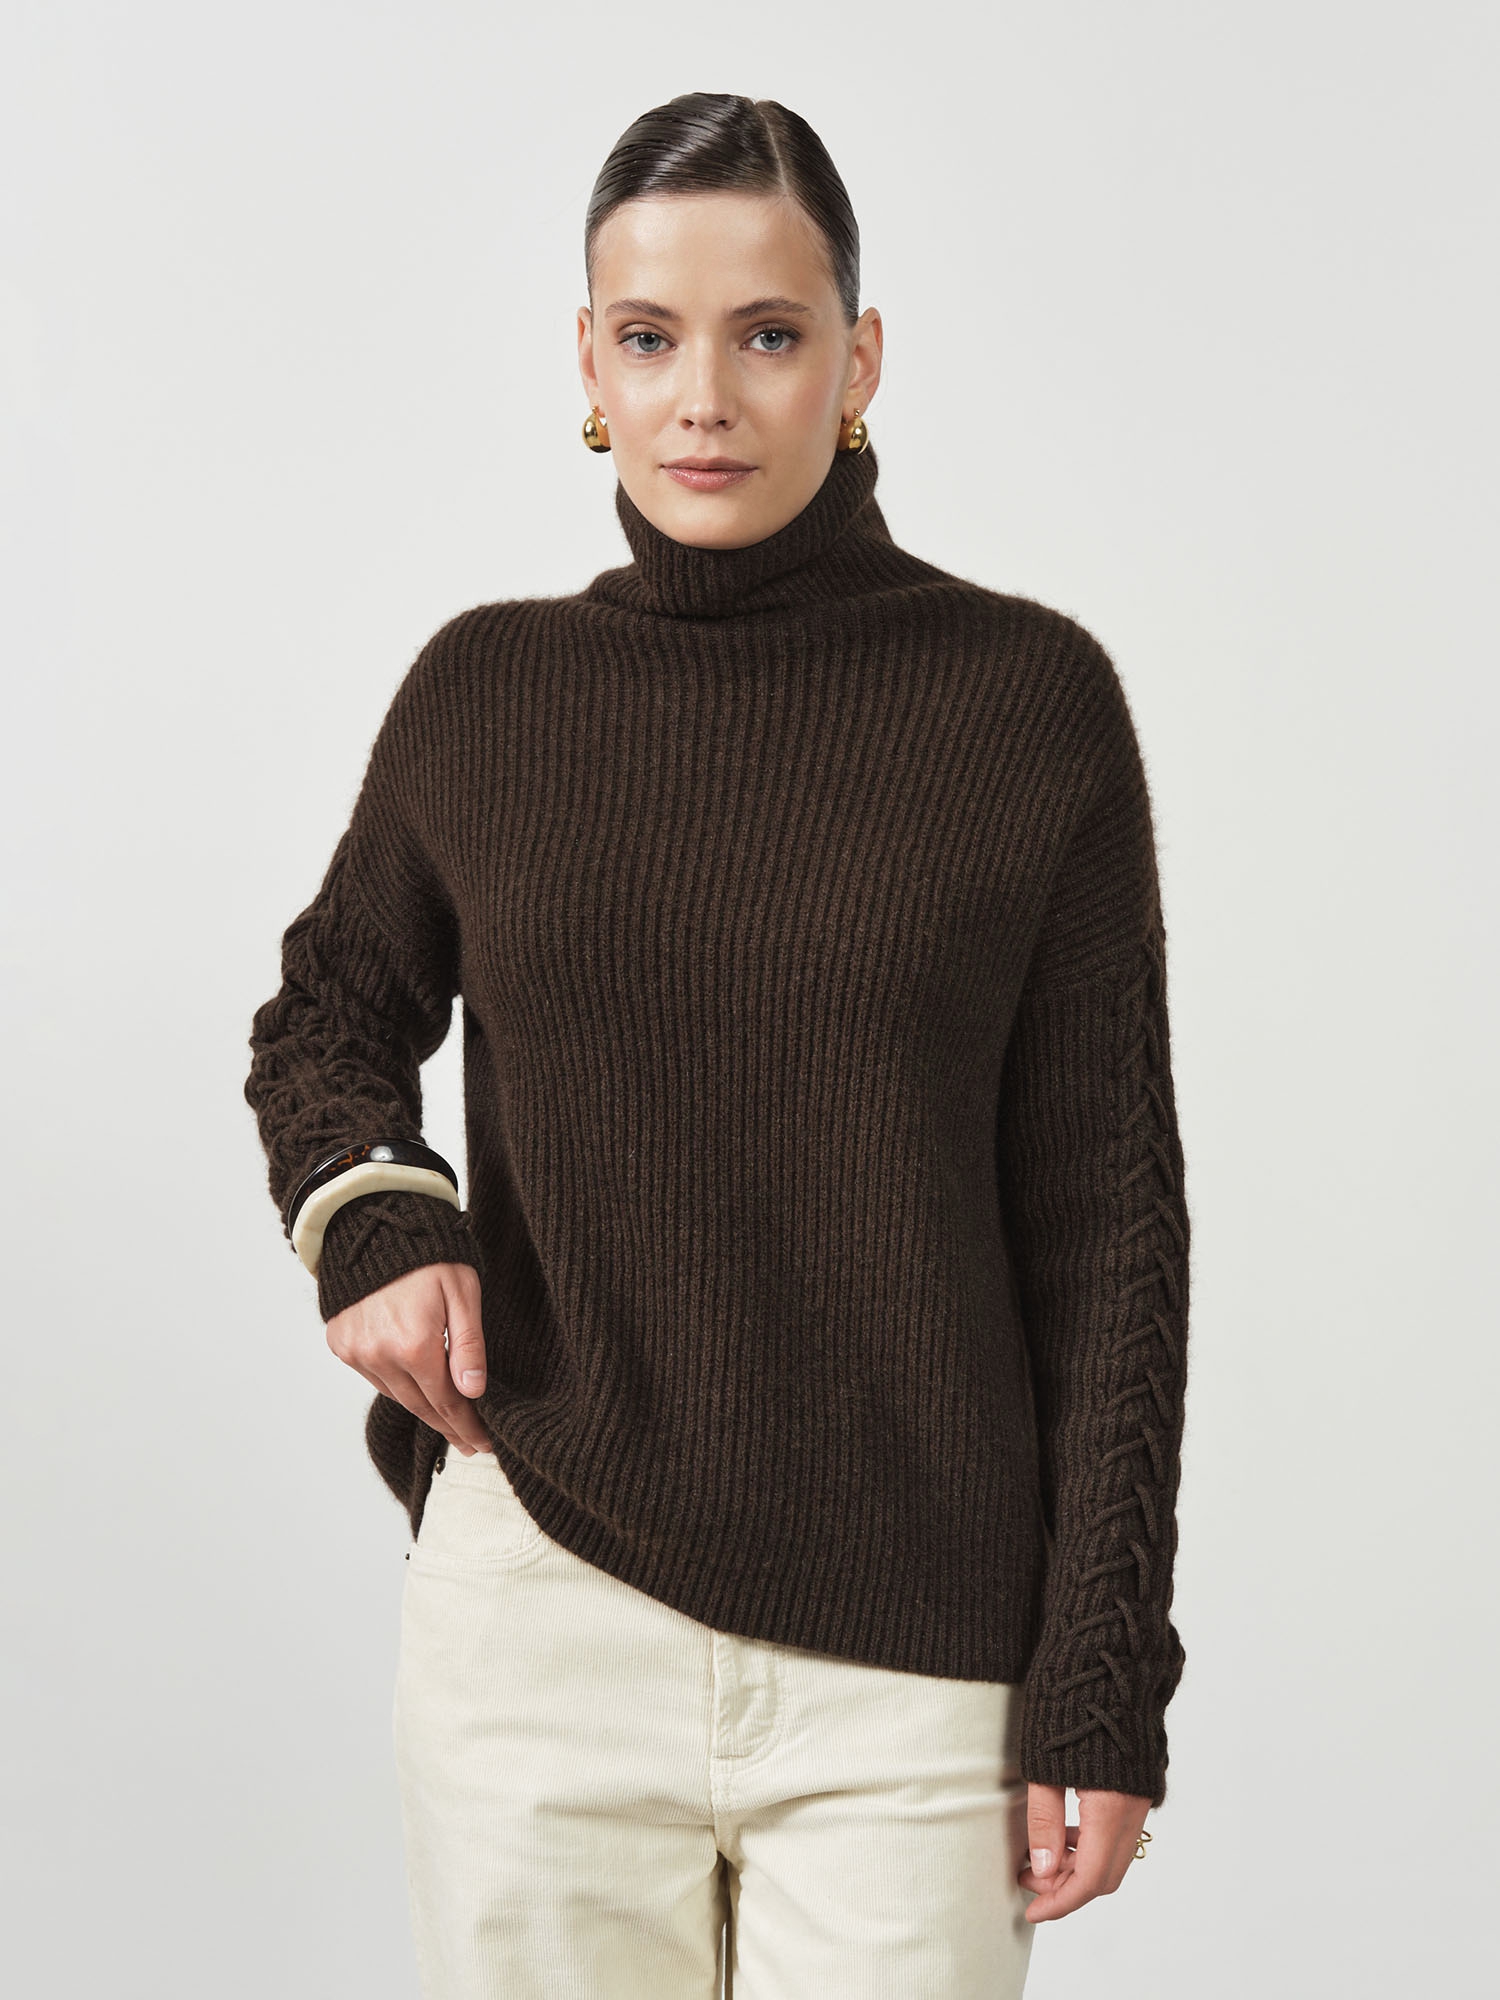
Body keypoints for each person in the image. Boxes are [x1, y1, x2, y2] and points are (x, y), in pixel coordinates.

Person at [244, 90, 1191, 2000]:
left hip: (915, 1655)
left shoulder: (1028, 705)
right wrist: (377, 1219)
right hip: (544, 1618)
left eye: (767, 334)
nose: (704, 399)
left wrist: (1102, 1669)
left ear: (860, 359)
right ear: (589, 368)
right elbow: (329, 1014)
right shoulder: (490, 693)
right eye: (649, 336)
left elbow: (1110, 1228)